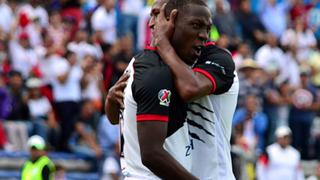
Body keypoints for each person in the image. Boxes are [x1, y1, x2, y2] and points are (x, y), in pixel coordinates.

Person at [106, 0, 211, 179]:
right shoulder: (156, 72)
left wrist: (110, 101)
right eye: (195, 25)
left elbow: (115, 118)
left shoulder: (140, 62)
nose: (204, 36)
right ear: (170, 22)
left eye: (207, 29)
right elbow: (152, 155)